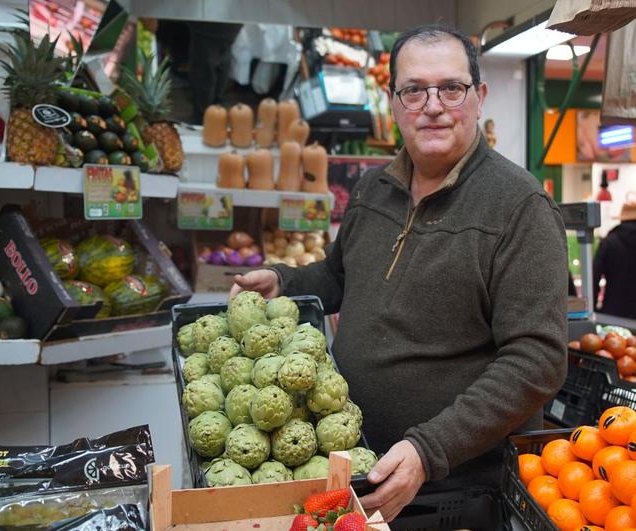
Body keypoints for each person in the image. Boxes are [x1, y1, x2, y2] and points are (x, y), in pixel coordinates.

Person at [230, 24, 568, 522]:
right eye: (414, 90)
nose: (432, 105)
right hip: (351, 465)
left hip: (454, 492)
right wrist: (284, 281)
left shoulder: (520, 208)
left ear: (479, 97)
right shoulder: (373, 189)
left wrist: (430, 449)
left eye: (451, 88)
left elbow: (537, 361)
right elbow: (339, 277)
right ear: (393, 103)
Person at [593, 200, 636, 319]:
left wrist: (594, 310)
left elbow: (594, 276)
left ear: (622, 219)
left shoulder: (609, 242)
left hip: (613, 314)